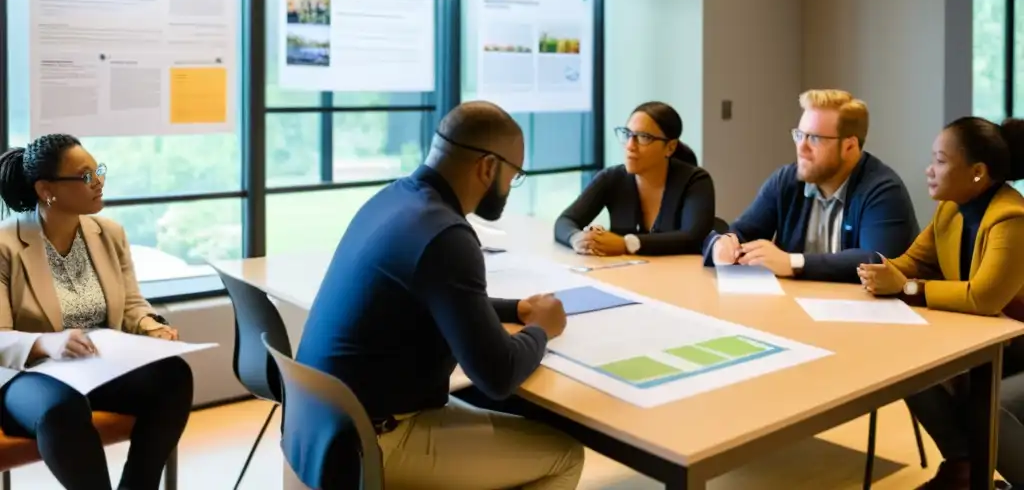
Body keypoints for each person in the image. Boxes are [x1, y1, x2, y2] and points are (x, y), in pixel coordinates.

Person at [296, 101, 584, 490]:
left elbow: (429, 296)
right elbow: (497, 377)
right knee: (565, 455)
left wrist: (515, 309)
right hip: (375, 440)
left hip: (319, 425)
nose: (510, 188)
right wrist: (543, 329)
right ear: (487, 167)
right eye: (514, 175)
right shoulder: (447, 236)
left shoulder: (395, 199)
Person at [0, 134, 192, 490]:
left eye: (98, 170)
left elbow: (133, 305)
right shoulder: (5, 245)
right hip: (27, 375)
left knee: (174, 376)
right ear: (46, 190)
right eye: (85, 175)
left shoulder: (110, 233)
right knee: (62, 410)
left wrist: (152, 327)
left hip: (97, 365)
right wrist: (48, 343)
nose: (99, 181)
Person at [859, 117, 1024, 490]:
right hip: (983, 339)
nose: (929, 170)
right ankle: (964, 465)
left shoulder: (1011, 218)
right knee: (902, 361)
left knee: (955, 385)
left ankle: (972, 468)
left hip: (1016, 345)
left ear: (978, 172)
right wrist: (875, 273)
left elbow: (984, 297)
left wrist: (906, 288)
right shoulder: (951, 209)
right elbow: (911, 261)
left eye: (940, 160)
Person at [706, 89, 918, 282]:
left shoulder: (883, 190)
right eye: (799, 135)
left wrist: (792, 263)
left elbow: (877, 261)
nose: (801, 148)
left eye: (814, 138)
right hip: (796, 307)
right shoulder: (786, 181)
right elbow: (742, 231)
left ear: (849, 146)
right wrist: (722, 244)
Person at [554, 102, 715, 256]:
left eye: (643, 137)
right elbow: (566, 221)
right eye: (627, 134)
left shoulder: (696, 180)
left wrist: (627, 244)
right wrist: (577, 238)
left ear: (670, 147)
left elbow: (693, 237)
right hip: (627, 275)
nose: (630, 145)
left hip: (679, 277)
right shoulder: (611, 178)